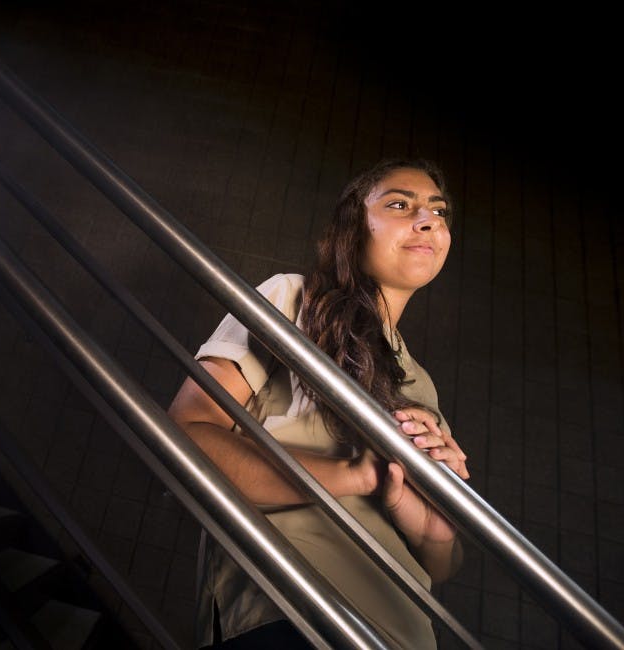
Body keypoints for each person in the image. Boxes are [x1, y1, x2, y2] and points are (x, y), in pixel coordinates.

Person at [166, 158, 471, 649]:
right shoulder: (293, 299)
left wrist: (435, 523)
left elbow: (442, 563)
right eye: (400, 204)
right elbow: (186, 432)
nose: (429, 220)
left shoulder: (423, 386)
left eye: (439, 212)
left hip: (404, 636)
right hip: (289, 609)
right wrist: (355, 476)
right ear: (354, 228)